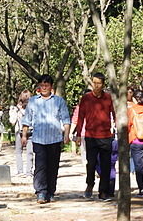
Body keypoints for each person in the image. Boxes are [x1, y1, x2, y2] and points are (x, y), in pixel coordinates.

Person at [22, 75, 71, 205]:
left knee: (53, 166)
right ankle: (41, 191)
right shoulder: (33, 101)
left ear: (51, 87)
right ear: (39, 86)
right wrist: (24, 135)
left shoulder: (59, 101)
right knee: (40, 166)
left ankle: (51, 191)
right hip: (38, 138)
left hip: (54, 138)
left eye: (47, 85)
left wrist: (66, 134)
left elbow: (65, 119)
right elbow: (27, 119)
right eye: (42, 85)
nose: (44, 88)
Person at [75, 72, 116, 201]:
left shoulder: (108, 98)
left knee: (105, 164)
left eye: (98, 83)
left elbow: (115, 114)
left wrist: (117, 129)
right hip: (90, 135)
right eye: (94, 83)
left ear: (103, 84)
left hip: (105, 136)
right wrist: (78, 134)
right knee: (91, 163)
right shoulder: (86, 98)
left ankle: (103, 191)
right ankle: (89, 184)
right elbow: (80, 117)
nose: (96, 85)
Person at [128, 90, 143, 196]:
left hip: (136, 141)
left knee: (138, 166)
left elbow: (128, 125)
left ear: (135, 98)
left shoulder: (131, 110)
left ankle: (142, 189)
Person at [9, 90, 34, 178]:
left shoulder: (15, 108)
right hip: (31, 131)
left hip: (19, 131)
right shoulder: (34, 107)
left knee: (19, 152)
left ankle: (20, 171)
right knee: (29, 153)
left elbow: (12, 121)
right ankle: (29, 172)